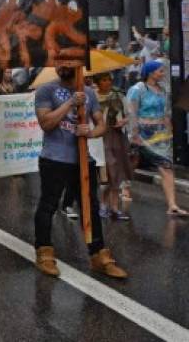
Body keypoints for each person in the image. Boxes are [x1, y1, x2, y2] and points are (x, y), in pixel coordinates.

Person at [33, 63, 127, 279]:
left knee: (90, 208)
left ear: (79, 66)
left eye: (69, 62)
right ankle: (44, 251)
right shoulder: (45, 90)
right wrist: (70, 103)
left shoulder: (89, 93)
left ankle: (98, 255)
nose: (63, 66)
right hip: (54, 159)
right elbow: (46, 123)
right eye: (60, 62)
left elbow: (101, 125)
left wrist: (90, 133)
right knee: (48, 205)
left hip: (83, 160)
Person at [127, 60, 187, 216]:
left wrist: (169, 130)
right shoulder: (137, 89)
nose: (163, 73)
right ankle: (124, 187)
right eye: (160, 71)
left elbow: (166, 112)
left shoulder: (163, 90)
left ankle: (172, 205)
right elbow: (132, 113)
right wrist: (134, 134)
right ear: (151, 72)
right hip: (143, 134)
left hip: (161, 135)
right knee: (133, 162)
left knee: (167, 166)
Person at [93, 73, 132, 220]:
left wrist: (123, 122)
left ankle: (115, 207)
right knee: (107, 172)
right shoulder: (92, 96)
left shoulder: (118, 95)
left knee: (117, 172)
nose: (108, 82)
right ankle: (103, 204)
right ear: (97, 82)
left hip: (116, 136)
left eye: (109, 79)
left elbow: (129, 114)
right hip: (99, 138)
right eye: (104, 79)